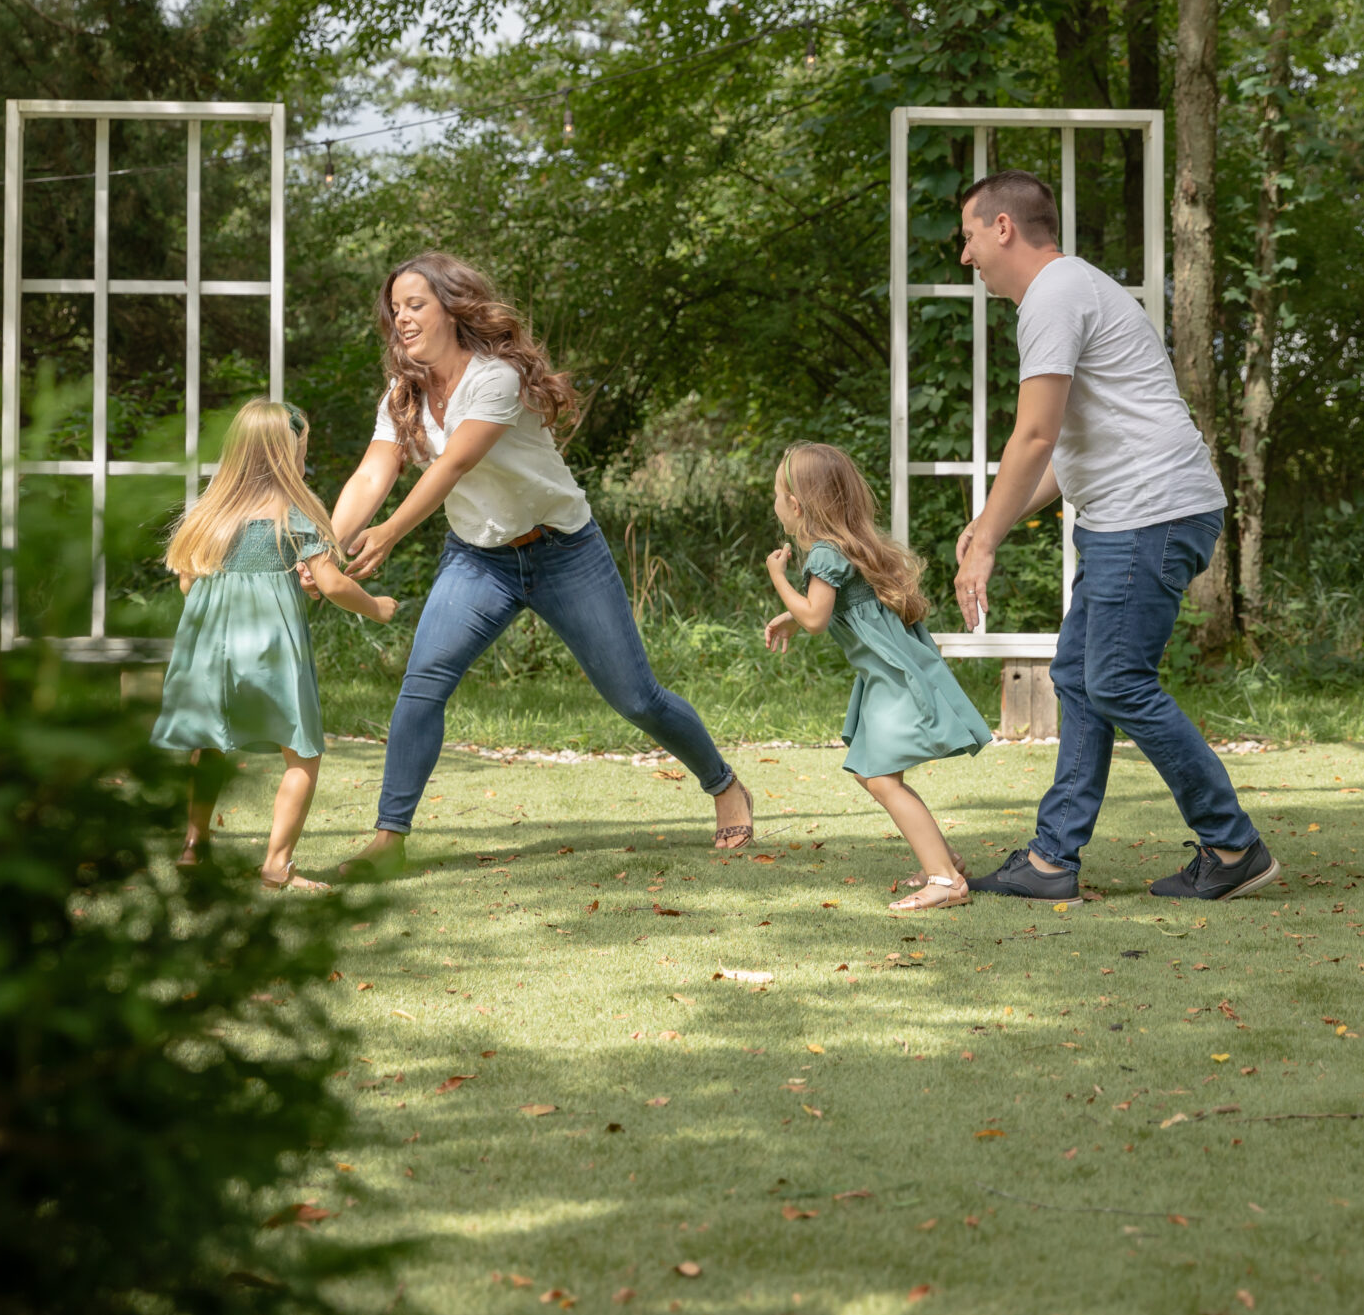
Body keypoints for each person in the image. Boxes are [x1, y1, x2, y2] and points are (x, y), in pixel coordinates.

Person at [325, 252, 755, 880]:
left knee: (636, 699)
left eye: (416, 305)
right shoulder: (405, 392)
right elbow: (372, 472)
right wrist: (329, 549)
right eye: (396, 310)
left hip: (563, 551)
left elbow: (453, 466)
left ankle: (723, 785)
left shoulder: (494, 377)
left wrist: (389, 532)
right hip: (478, 559)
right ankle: (390, 839)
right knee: (424, 684)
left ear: (452, 308)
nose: (403, 319)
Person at [950, 170, 1279, 904]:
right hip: (1128, 517)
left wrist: (986, 544)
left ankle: (1232, 845)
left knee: (1115, 680)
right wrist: (989, 519)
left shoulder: (1056, 294)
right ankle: (1050, 861)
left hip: (1148, 515)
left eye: (968, 235)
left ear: (1003, 227)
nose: (965, 256)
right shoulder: (1069, 292)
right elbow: (1061, 459)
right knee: (1079, 676)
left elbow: (1032, 436)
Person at [152, 398, 398, 891]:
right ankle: (276, 864)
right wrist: (376, 606)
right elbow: (330, 585)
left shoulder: (208, 512)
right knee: (302, 753)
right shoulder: (295, 512)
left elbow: (185, 584)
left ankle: (193, 845)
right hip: (269, 645)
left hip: (207, 644)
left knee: (210, 742)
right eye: (301, 446)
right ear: (287, 454)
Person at [764, 442, 992, 910]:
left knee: (883, 778)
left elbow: (816, 618)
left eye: (775, 495)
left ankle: (945, 882)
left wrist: (779, 579)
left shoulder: (825, 554)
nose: (774, 505)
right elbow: (838, 608)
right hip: (886, 675)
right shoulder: (845, 546)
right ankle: (943, 857)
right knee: (870, 773)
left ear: (796, 505)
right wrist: (794, 614)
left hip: (893, 677)